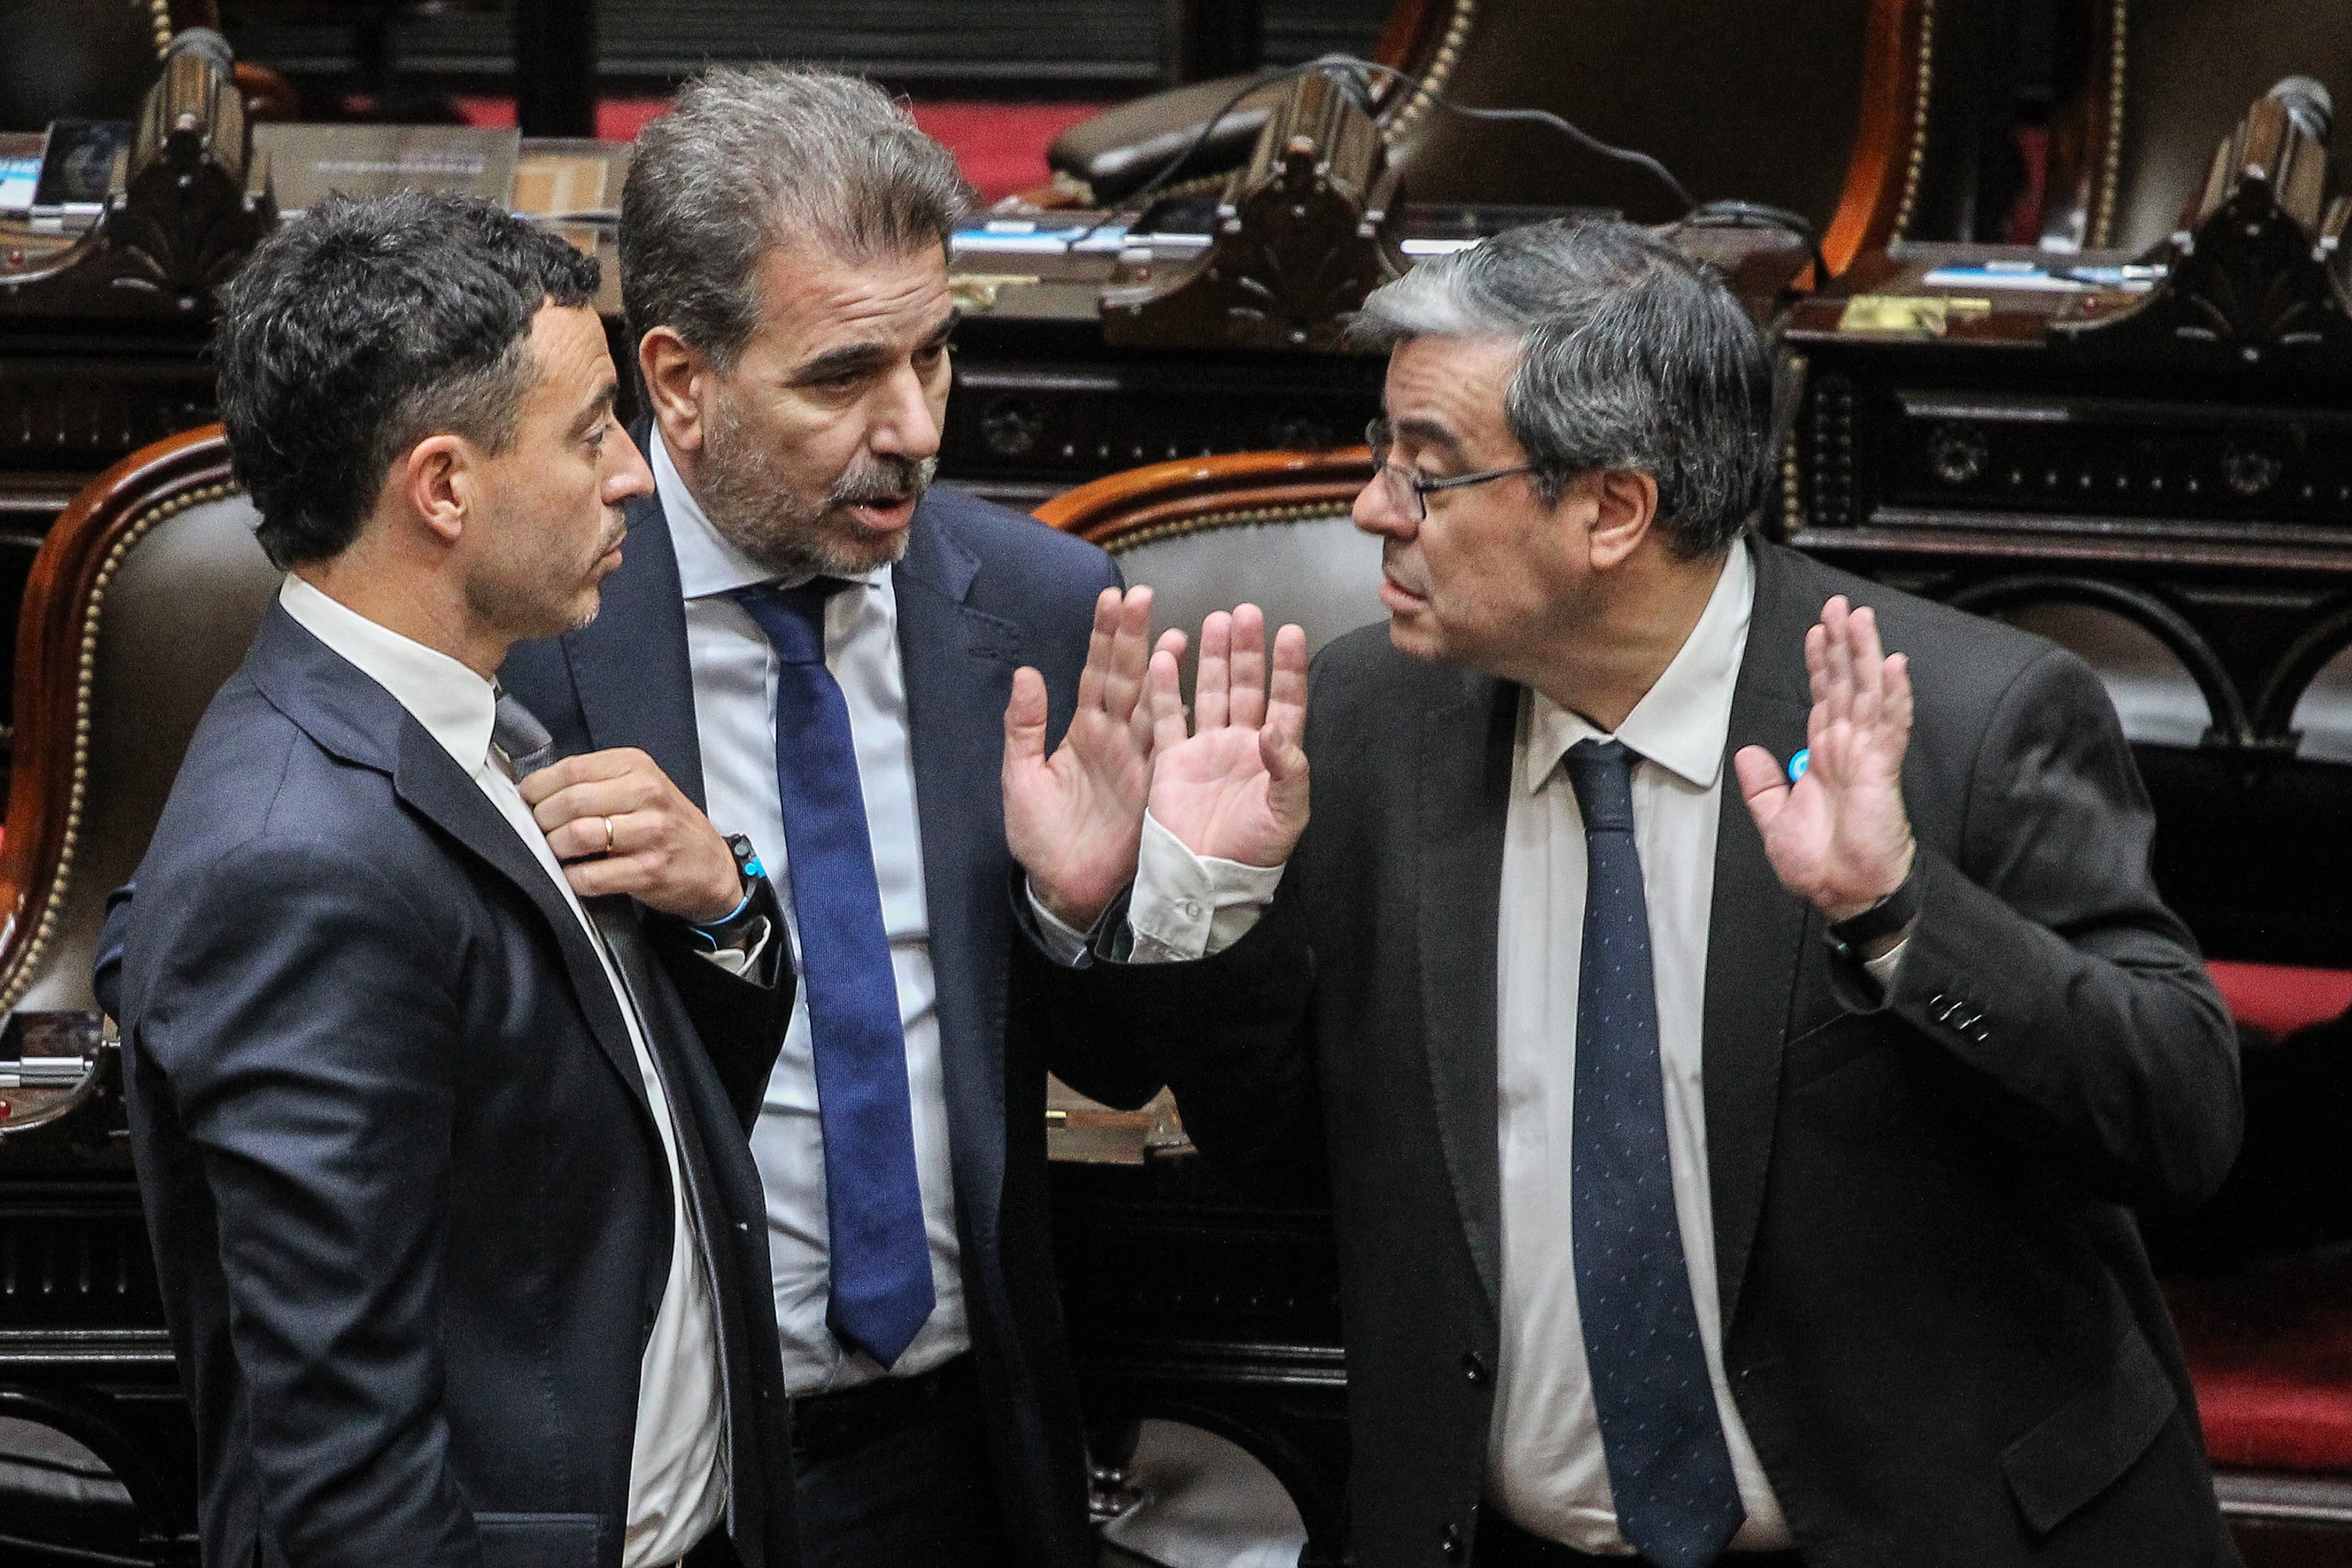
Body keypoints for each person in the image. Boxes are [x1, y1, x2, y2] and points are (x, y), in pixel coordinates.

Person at [1016, 217, 2246, 1566]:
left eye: (1427, 472)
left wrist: (1902, 913)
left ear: (1612, 510)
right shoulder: (1363, 726)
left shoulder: (1965, 720)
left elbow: (2180, 1121)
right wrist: (1208, 905)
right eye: (1383, 454)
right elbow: (1281, 1160)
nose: (1372, 509)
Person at [496, 65, 1160, 1568]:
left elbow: (1126, 1072)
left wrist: (1094, 915)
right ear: (680, 382)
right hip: (652, 1463)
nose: (914, 426)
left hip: (961, 1453)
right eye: (844, 376)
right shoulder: (522, 633)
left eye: (935, 355)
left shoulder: (1046, 611)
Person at [111, 192, 799, 1568]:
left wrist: (722, 911)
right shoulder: (295, 868)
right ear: (442, 487)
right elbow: (347, 1468)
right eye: (591, 432)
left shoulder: (479, 720)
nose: (634, 476)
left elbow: (597, 1149)